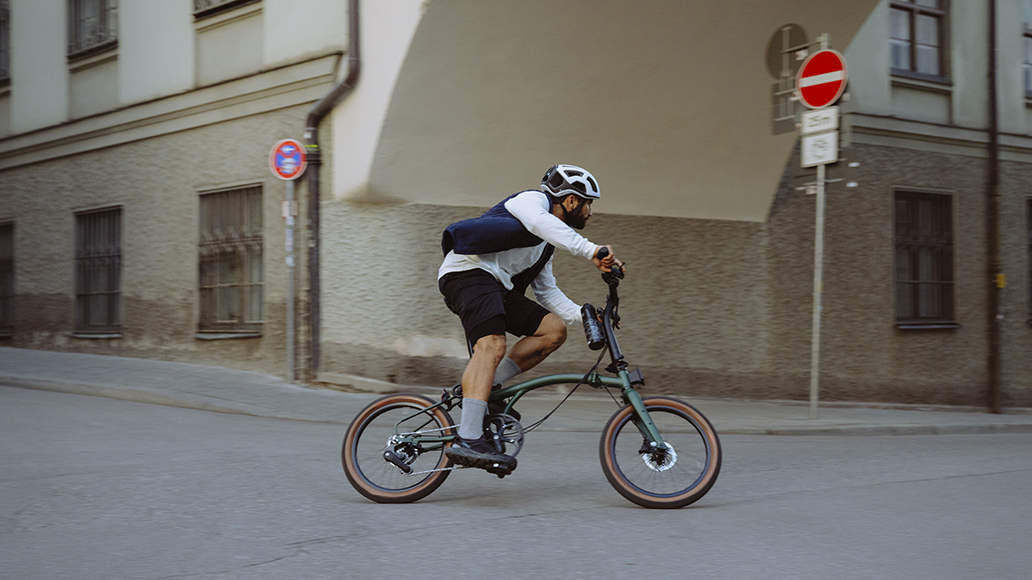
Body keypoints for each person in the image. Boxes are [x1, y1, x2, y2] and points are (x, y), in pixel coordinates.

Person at [437, 164, 620, 475]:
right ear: (572, 201)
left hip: (496, 286)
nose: (591, 211)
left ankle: (488, 386)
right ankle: (468, 438)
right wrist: (591, 251)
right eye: (588, 203)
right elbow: (540, 223)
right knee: (492, 345)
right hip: (467, 273)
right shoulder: (530, 202)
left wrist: (584, 314)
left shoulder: (543, 246)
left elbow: (548, 292)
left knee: (553, 330)